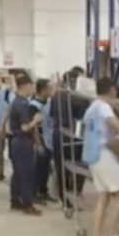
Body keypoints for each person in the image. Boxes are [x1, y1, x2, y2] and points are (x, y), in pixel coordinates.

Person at [83, 77, 119, 236]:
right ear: (111, 90)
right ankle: (111, 233)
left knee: (103, 196)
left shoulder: (91, 107)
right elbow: (117, 126)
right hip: (104, 154)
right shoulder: (104, 107)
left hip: (92, 156)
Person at [51, 68, 90, 212]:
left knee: (61, 166)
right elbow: (83, 119)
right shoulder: (80, 97)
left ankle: (64, 199)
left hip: (58, 133)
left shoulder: (56, 96)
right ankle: (76, 194)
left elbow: (52, 115)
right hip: (75, 134)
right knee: (78, 166)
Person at [5, 74, 43, 215]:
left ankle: (15, 200)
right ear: (24, 86)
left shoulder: (17, 101)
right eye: (31, 86)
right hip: (23, 142)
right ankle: (27, 203)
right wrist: (36, 121)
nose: (32, 89)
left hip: (17, 142)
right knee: (26, 173)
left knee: (18, 173)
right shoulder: (22, 104)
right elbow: (25, 127)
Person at [30, 78, 58, 203]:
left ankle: (43, 191)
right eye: (50, 88)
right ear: (42, 91)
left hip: (49, 139)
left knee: (46, 168)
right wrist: (38, 144)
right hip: (40, 139)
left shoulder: (49, 103)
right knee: (38, 168)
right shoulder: (33, 106)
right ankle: (34, 193)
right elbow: (34, 126)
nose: (52, 91)